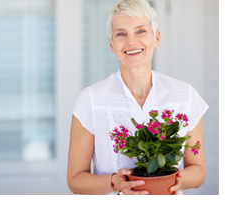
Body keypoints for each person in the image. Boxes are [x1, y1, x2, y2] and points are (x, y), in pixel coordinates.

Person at [67, 0, 208, 195]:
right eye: (121, 34)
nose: (131, 41)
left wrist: (170, 180)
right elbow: (75, 180)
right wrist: (115, 182)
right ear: (111, 45)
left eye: (141, 31)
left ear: (156, 37)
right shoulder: (90, 99)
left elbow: (198, 171)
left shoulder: (185, 96)